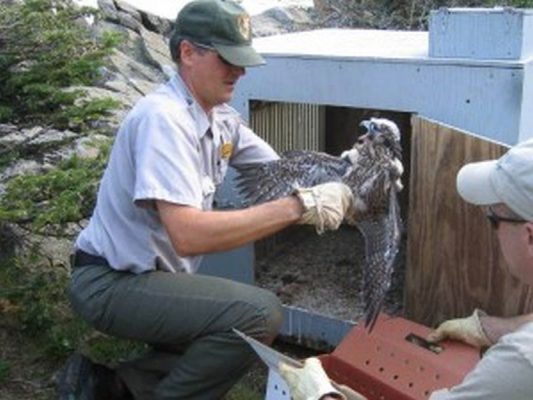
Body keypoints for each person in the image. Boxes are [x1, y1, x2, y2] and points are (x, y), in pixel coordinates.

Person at [56, 0, 355, 399]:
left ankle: (110, 387)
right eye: (227, 58)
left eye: (243, 59)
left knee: (222, 331)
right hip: (111, 282)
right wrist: (300, 207)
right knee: (255, 314)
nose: (240, 71)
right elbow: (188, 236)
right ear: (187, 53)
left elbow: (282, 174)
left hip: (151, 279)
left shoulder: (220, 118)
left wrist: (348, 172)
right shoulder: (163, 119)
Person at [279, 138, 533, 400]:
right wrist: (491, 328)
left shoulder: (520, 361)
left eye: (493, 220)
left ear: (530, 237)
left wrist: (322, 396)